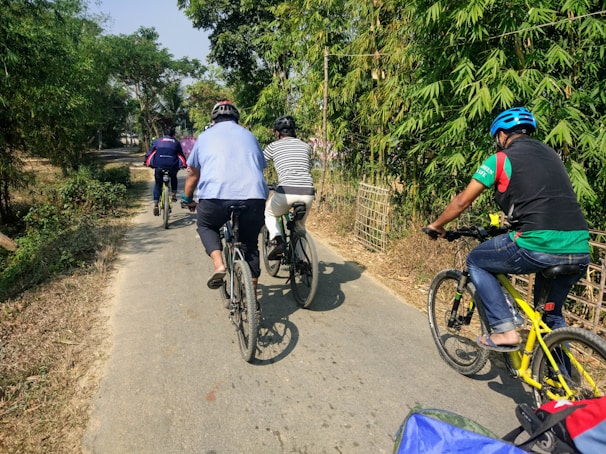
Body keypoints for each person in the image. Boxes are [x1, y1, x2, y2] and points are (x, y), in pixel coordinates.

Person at [425, 107, 590, 352]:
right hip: (579, 246)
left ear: (502, 135)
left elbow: (462, 201)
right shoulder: (553, 156)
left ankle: (505, 330)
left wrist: (436, 225)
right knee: (551, 319)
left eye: (497, 139)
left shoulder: (501, 159)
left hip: (537, 244)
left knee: (477, 260)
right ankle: (559, 383)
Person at [181, 100, 269, 295]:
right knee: (250, 245)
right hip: (254, 198)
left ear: (213, 120)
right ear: (236, 119)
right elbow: (260, 167)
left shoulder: (204, 137)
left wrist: (187, 199)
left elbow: (193, 174)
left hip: (215, 198)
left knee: (206, 225)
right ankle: (252, 297)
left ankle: (219, 265)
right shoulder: (250, 135)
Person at [264, 115, 315, 259]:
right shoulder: (306, 146)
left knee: (270, 214)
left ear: (277, 133)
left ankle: (279, 241)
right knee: (300, 226)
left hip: (286, 191)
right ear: (294, 131)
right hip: (308, 191)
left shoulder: (273, 146)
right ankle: (301, 261)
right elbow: (306, 166)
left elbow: (260, 163)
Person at [144, 126, 187, 215]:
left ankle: (156, 204)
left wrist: (146, 161)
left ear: (163, 134)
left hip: (159, 166)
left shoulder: (157, 141)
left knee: (158, 184)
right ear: (173, 135)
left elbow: (150, 153)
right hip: (172, 166)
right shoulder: (176, 142)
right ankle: (174, 195)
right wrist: (184, 164)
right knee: (174, 177)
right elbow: (181, 155)